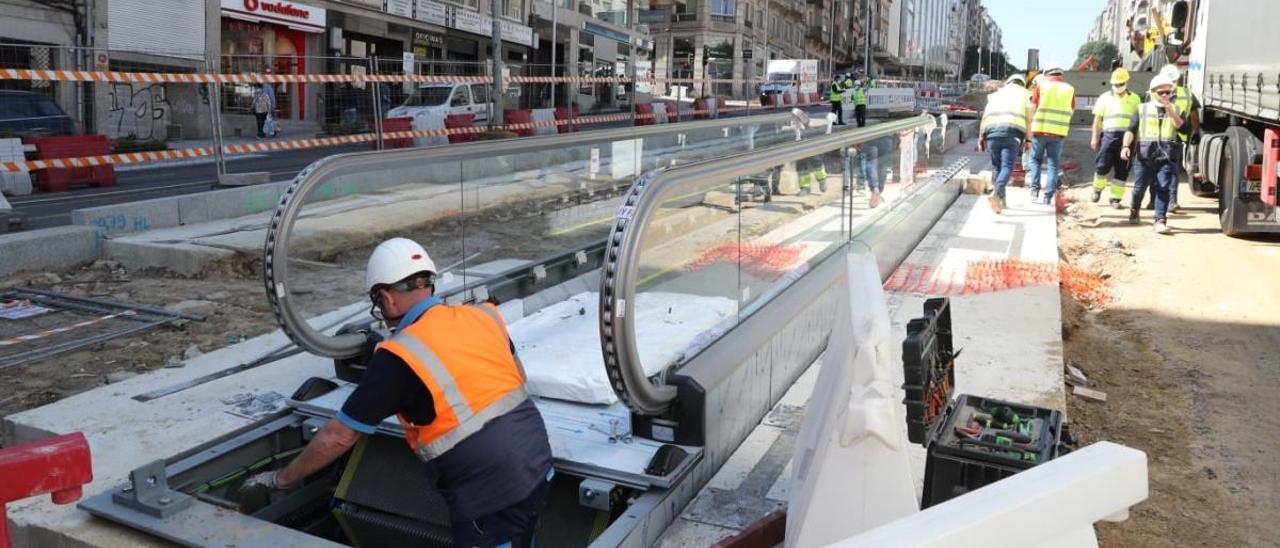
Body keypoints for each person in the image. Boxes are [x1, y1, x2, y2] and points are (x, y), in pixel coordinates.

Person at [244, 238, 553, 547]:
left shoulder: (397, 359)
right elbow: (516, 376)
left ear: (387, 299)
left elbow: (337, 436)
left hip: (491, 497)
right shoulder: (483, 316)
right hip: (538, 464)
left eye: (378, 302)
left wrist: (281, 479)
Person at [1123, 75, 1186, 234]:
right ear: (1153, 93)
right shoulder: (1142, 109)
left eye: (1168, 92)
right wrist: (1125, 146)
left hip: (1166, 155)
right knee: (1139, 187)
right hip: (1145, 154)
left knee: (1162, 187)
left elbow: (1182, 128)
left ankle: (1160, 220)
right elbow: (1131, 129)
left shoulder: (1177, 109)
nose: (1165, 95)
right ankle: (1134, 209)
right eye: (1161, 92)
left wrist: (1171, 111)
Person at [1147, 64, 1200, 213]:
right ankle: (1154, 200)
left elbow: (1193, 114)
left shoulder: (1186, 94)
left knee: (1172, 171)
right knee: (1157, 170)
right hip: (1157, 137)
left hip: (1175, 137)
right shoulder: (1153, 93)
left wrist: (1196, 134)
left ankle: (1171, 201)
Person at [977, 74, 1032, 214]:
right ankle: (996, 194)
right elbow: (1029, 120)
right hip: (1012, 133)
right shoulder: (1025, 94)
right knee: (1007, 166)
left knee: (997, 166)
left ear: (1007, 83)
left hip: (991, 133)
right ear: (1022, 84)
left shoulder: (996, 95)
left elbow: (985, 117)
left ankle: (1000, 201)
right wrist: (1029, 140)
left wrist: (980, 138)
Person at [1090, 68, 1141, 209]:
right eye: (1115, 84)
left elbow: (1138, 122)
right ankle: (1097, 189)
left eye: (1120, 84)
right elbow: (1097, 121)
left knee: (1122, 169)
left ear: (1127, 82)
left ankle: (1115, 198)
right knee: (1102, 166)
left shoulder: (1135, 99)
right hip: (1108, 136)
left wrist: (1137, 142)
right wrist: (1094, 138)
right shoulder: (1104, 98)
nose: (1118, 87)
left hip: (1127, 138)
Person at [1027, 63, 1076, 205]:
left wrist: (1029, 130)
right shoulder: (1070, 89)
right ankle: (1048, 196)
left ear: (1047, 74)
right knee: (1053, 164)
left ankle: (1034, 192)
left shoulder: (1041, 86)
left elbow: (1033, 108)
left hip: (1040, 130)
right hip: (1058, 133)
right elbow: (1072, 110)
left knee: (1035, 160)